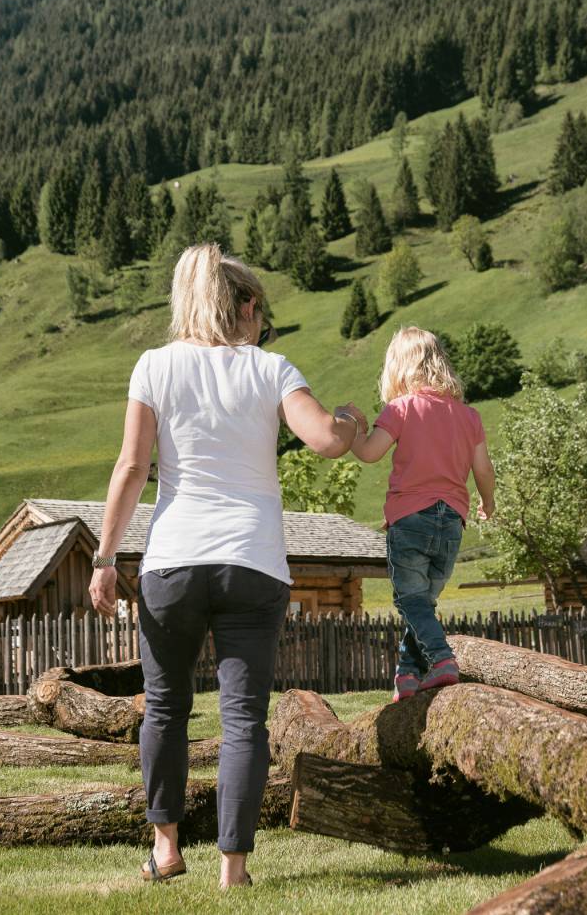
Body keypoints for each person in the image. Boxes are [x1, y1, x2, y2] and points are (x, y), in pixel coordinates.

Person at [87, 243, 364, 888]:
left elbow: (132, 468)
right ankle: (232, 869)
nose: (263, 325)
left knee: (165, 708)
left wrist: (104, 558)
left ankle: (165, 850)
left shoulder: (154, 366)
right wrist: (350, 420)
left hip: (174, 562)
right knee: (244, 717)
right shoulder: (271, 370)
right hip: (252, 561)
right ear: (245, 307)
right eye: (261, 313)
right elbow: (326, 439)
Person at [351, 326, 496, 702]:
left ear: (397, 367)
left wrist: (356, 430)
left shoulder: (401, 408)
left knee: (410, 600)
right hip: (452, 523)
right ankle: (407, 676)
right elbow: (483, 469)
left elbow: (369, 453)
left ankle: (442, 659)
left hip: (410, 517)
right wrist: (488, 502)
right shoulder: (469, 416)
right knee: (423, 603)